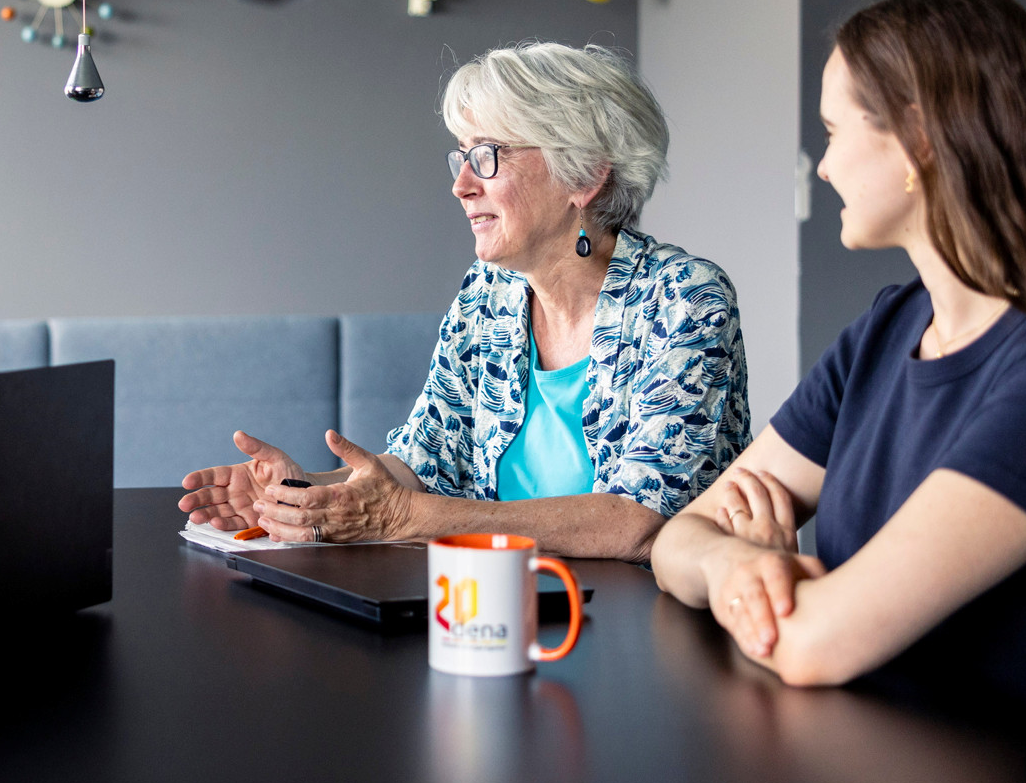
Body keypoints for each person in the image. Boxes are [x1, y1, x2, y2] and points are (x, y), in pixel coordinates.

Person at [651, 0, 1026, 720]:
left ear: (920, 139)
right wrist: (739, 562)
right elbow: (679, 540)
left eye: (832, 131)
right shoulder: (887, 331)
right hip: (883, 771)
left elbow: (810, 645)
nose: (822, 167)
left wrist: (764, 584)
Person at [181, 42, 749, 560]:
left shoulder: (685, 300)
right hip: (494, 607)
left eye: (489, 155)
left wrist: (409, 518)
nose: (462, 186)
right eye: (462, 157)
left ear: (585, 175)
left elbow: (640, 521)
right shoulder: (488, 293)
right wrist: (302, 492)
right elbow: (422, 468)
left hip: (647, 633)